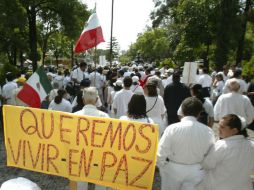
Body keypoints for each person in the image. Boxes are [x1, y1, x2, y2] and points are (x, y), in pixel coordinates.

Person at [157, 97, 215, 190]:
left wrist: (163, 167)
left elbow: (161, 152)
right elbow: (211, 155)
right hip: (196, 170)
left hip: (173, 169)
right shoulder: (208, 131)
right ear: (200, 113)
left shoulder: (172, 128)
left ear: (182, 111)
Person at [197, 114, 254, 190]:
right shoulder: (252, 145)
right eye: (219, 125)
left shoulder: (221, 145)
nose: (218, 129)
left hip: (220, 186)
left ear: (234, 130)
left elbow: (206, 165)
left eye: (222, 127)